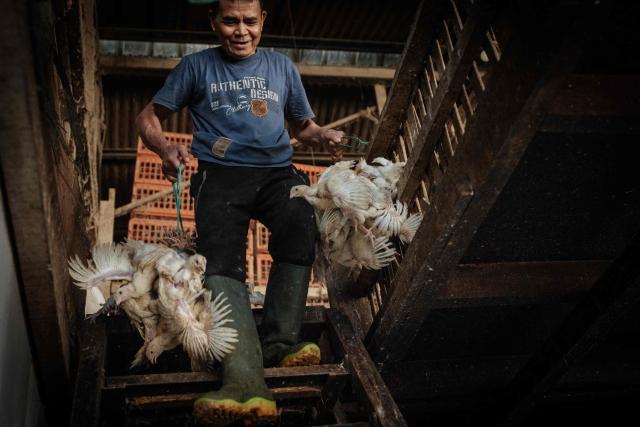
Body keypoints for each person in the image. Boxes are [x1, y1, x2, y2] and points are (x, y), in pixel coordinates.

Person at [135, 0, 344, 425]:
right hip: (221, 177)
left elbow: (303, 126)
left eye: (250, 21)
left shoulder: (281, 67)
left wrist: (322, 134)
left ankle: (280, 344)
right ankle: (243, 379)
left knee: (300, 224)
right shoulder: (196, 67)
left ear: (263, 20)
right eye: (230, 21)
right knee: (221, 264)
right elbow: (148, 115)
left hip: (277, 173)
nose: (241, 31)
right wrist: (164, 147)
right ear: (213, 21)